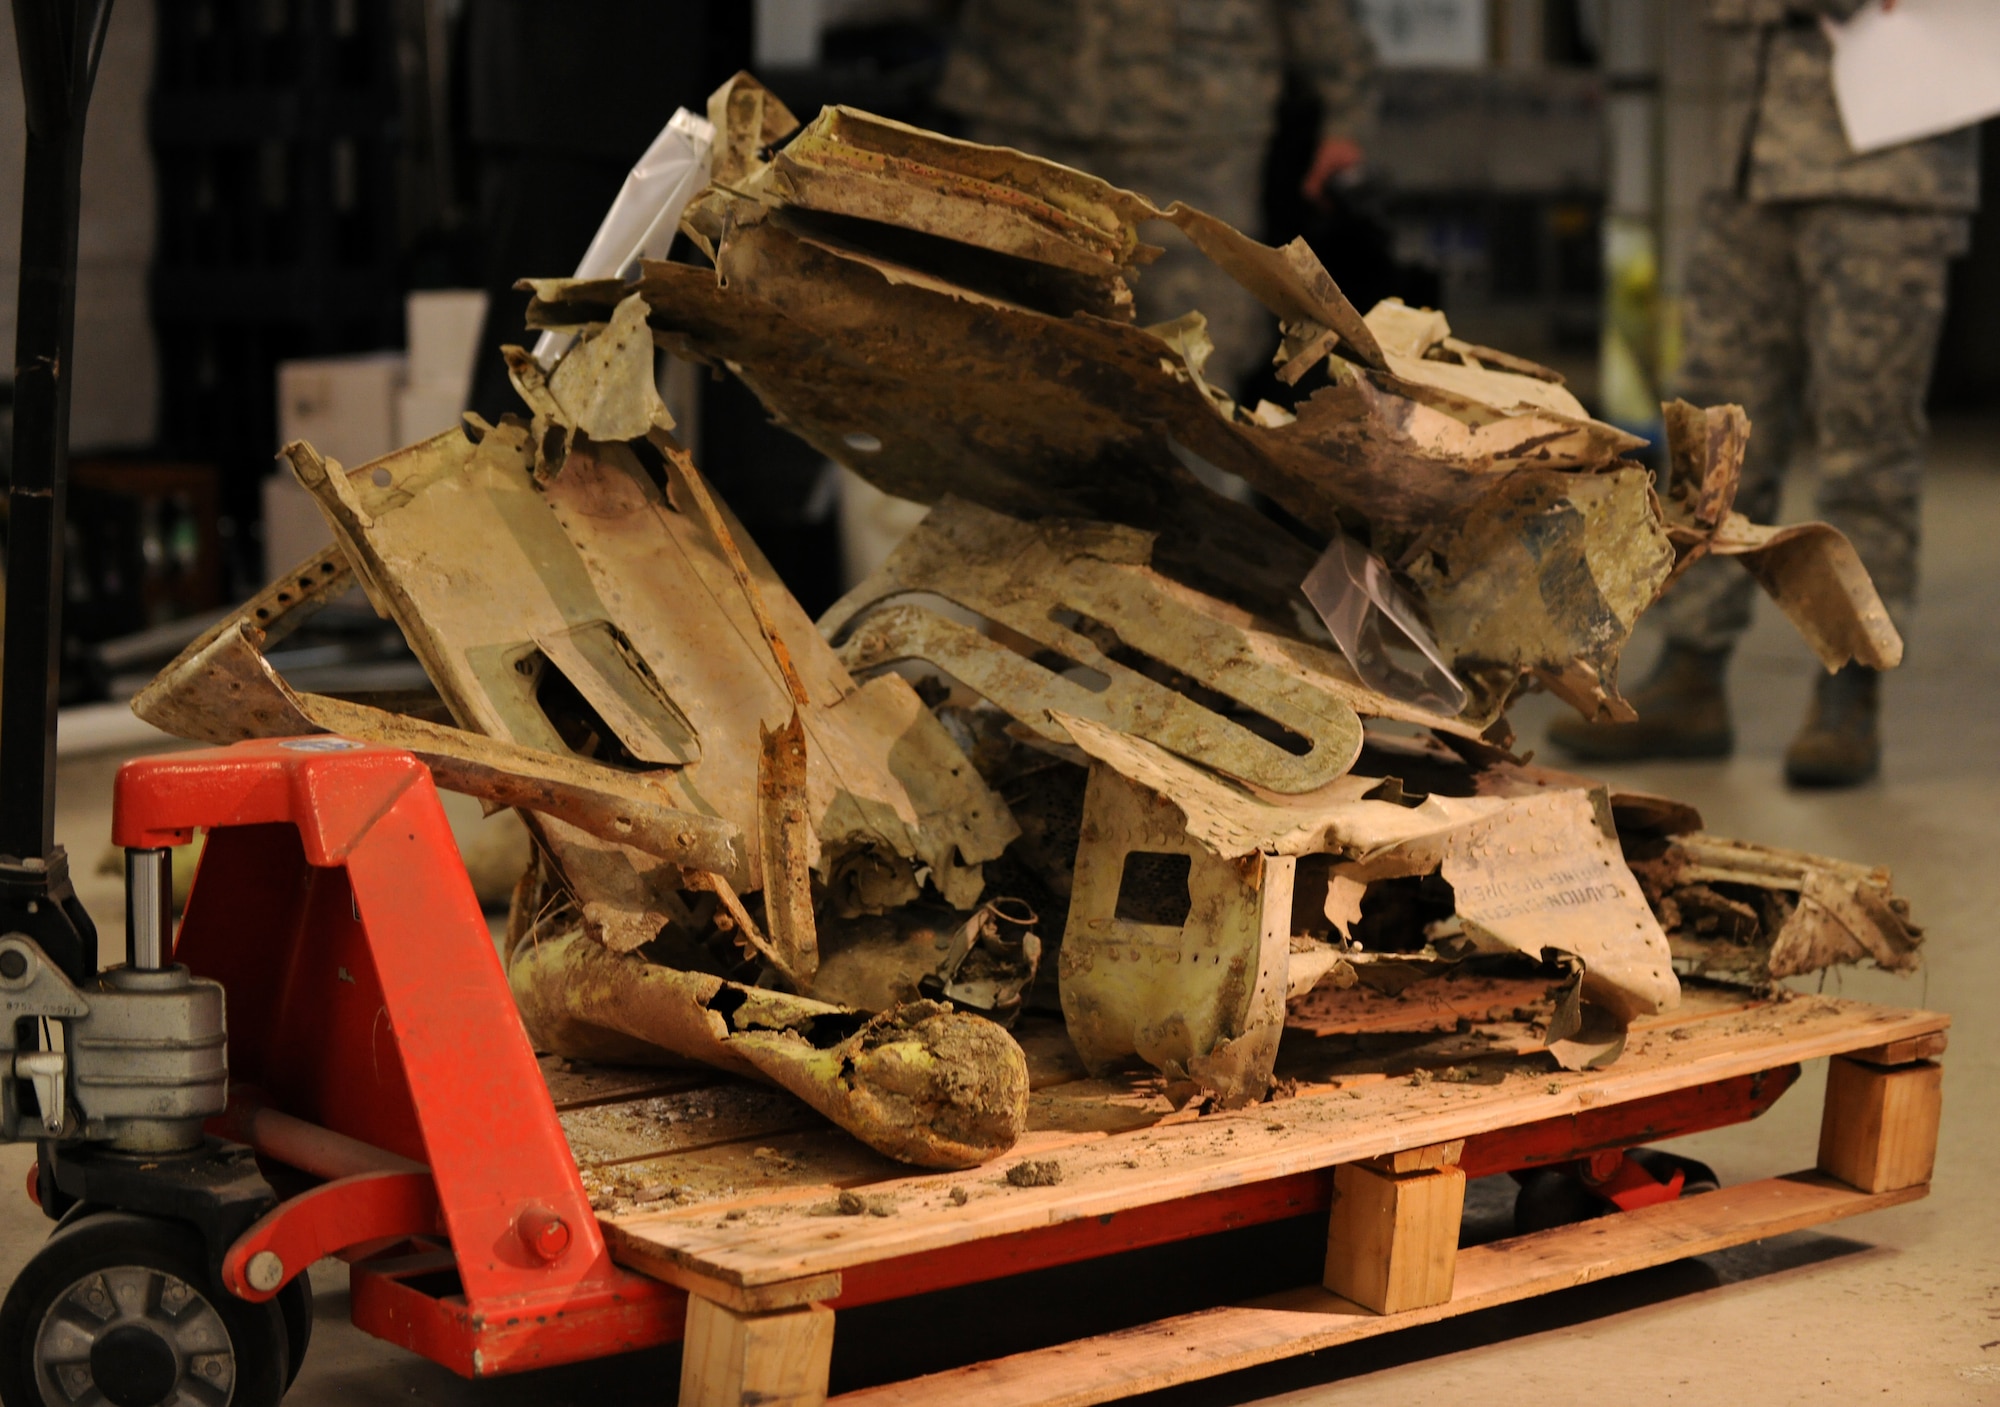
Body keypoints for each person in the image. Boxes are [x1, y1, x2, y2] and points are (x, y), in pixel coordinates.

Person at [1550, 0, 1980, 788]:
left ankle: (1852, 684)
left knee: (1867, 440)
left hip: (1887, 165)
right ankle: (1693, 667)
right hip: (1754, 157)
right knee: (1713, 437)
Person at [937, 0, 1377, 398]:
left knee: (1193, 353)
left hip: (1193, 135)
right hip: (1023, 110)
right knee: (1007, 338)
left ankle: (1196, 480)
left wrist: (1345, 111)